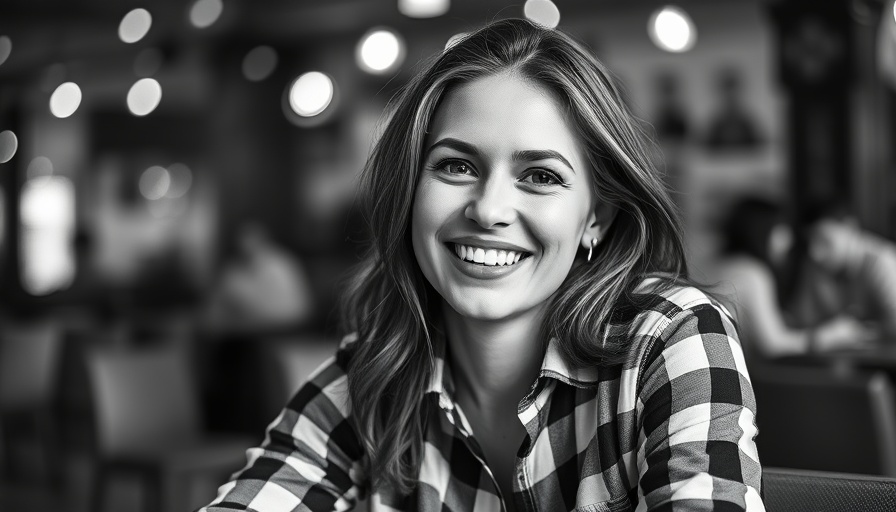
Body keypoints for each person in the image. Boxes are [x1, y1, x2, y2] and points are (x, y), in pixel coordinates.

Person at [200, 19, 763, 512]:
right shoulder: (371, 376)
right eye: (455, 167)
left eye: (540, 176)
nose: (489, 209)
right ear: (411, 192)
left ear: (597, 217)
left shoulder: (670, 339)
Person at [706, 196, 874, 361]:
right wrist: (828, 337)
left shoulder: (718, 264)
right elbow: (773, 345)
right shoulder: (753, 273)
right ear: (762, 229)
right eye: (781, 230)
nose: (788, 240)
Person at [789, 199, 896, 339]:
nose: (814, 252)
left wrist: (854, 332)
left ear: (850, 227)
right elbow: (803, 320)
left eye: (823, 240)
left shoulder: (881, 261)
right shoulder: (814, 265)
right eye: (809, 241)